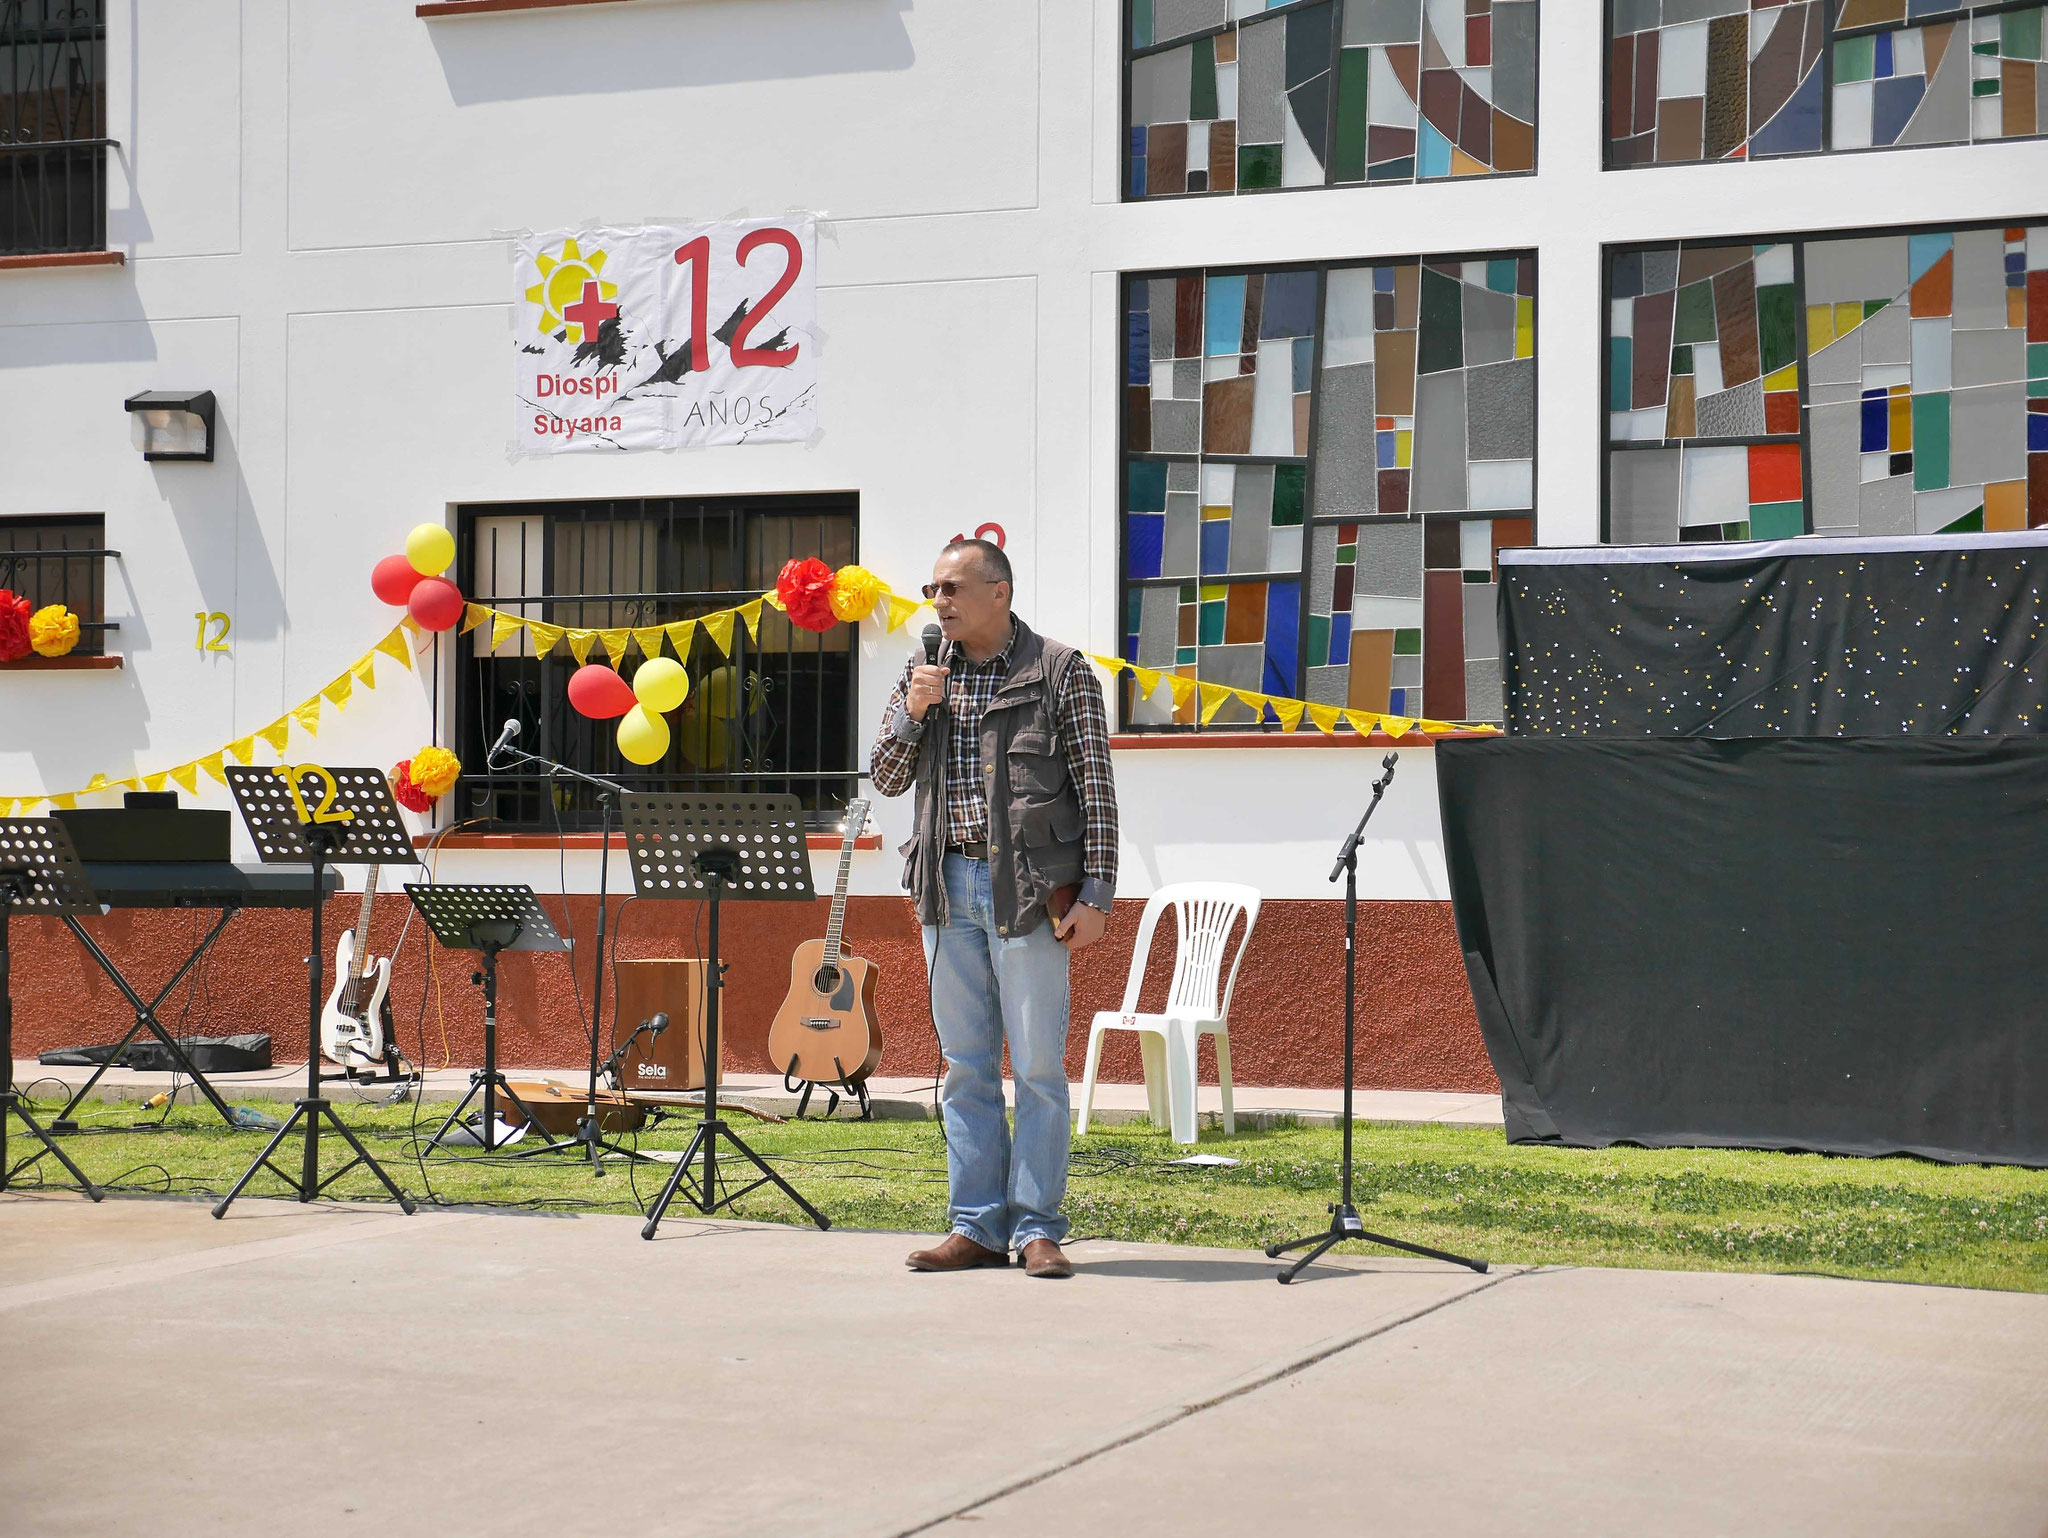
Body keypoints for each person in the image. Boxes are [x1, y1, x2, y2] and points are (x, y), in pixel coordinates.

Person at [870, 538, 1118, 1280]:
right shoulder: (924, 674)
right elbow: (883, 777)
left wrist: (1099, 893)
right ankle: (976, 1226)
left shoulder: (1060, 672)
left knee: (1038, 1066)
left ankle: (1038, 1228)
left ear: (999, 592)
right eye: (932, 588)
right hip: (945, 891)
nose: (938, 602)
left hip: (1033, 895)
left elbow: (1097, 789)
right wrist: (914, 712)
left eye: (952, 588)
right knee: (965, 1067)